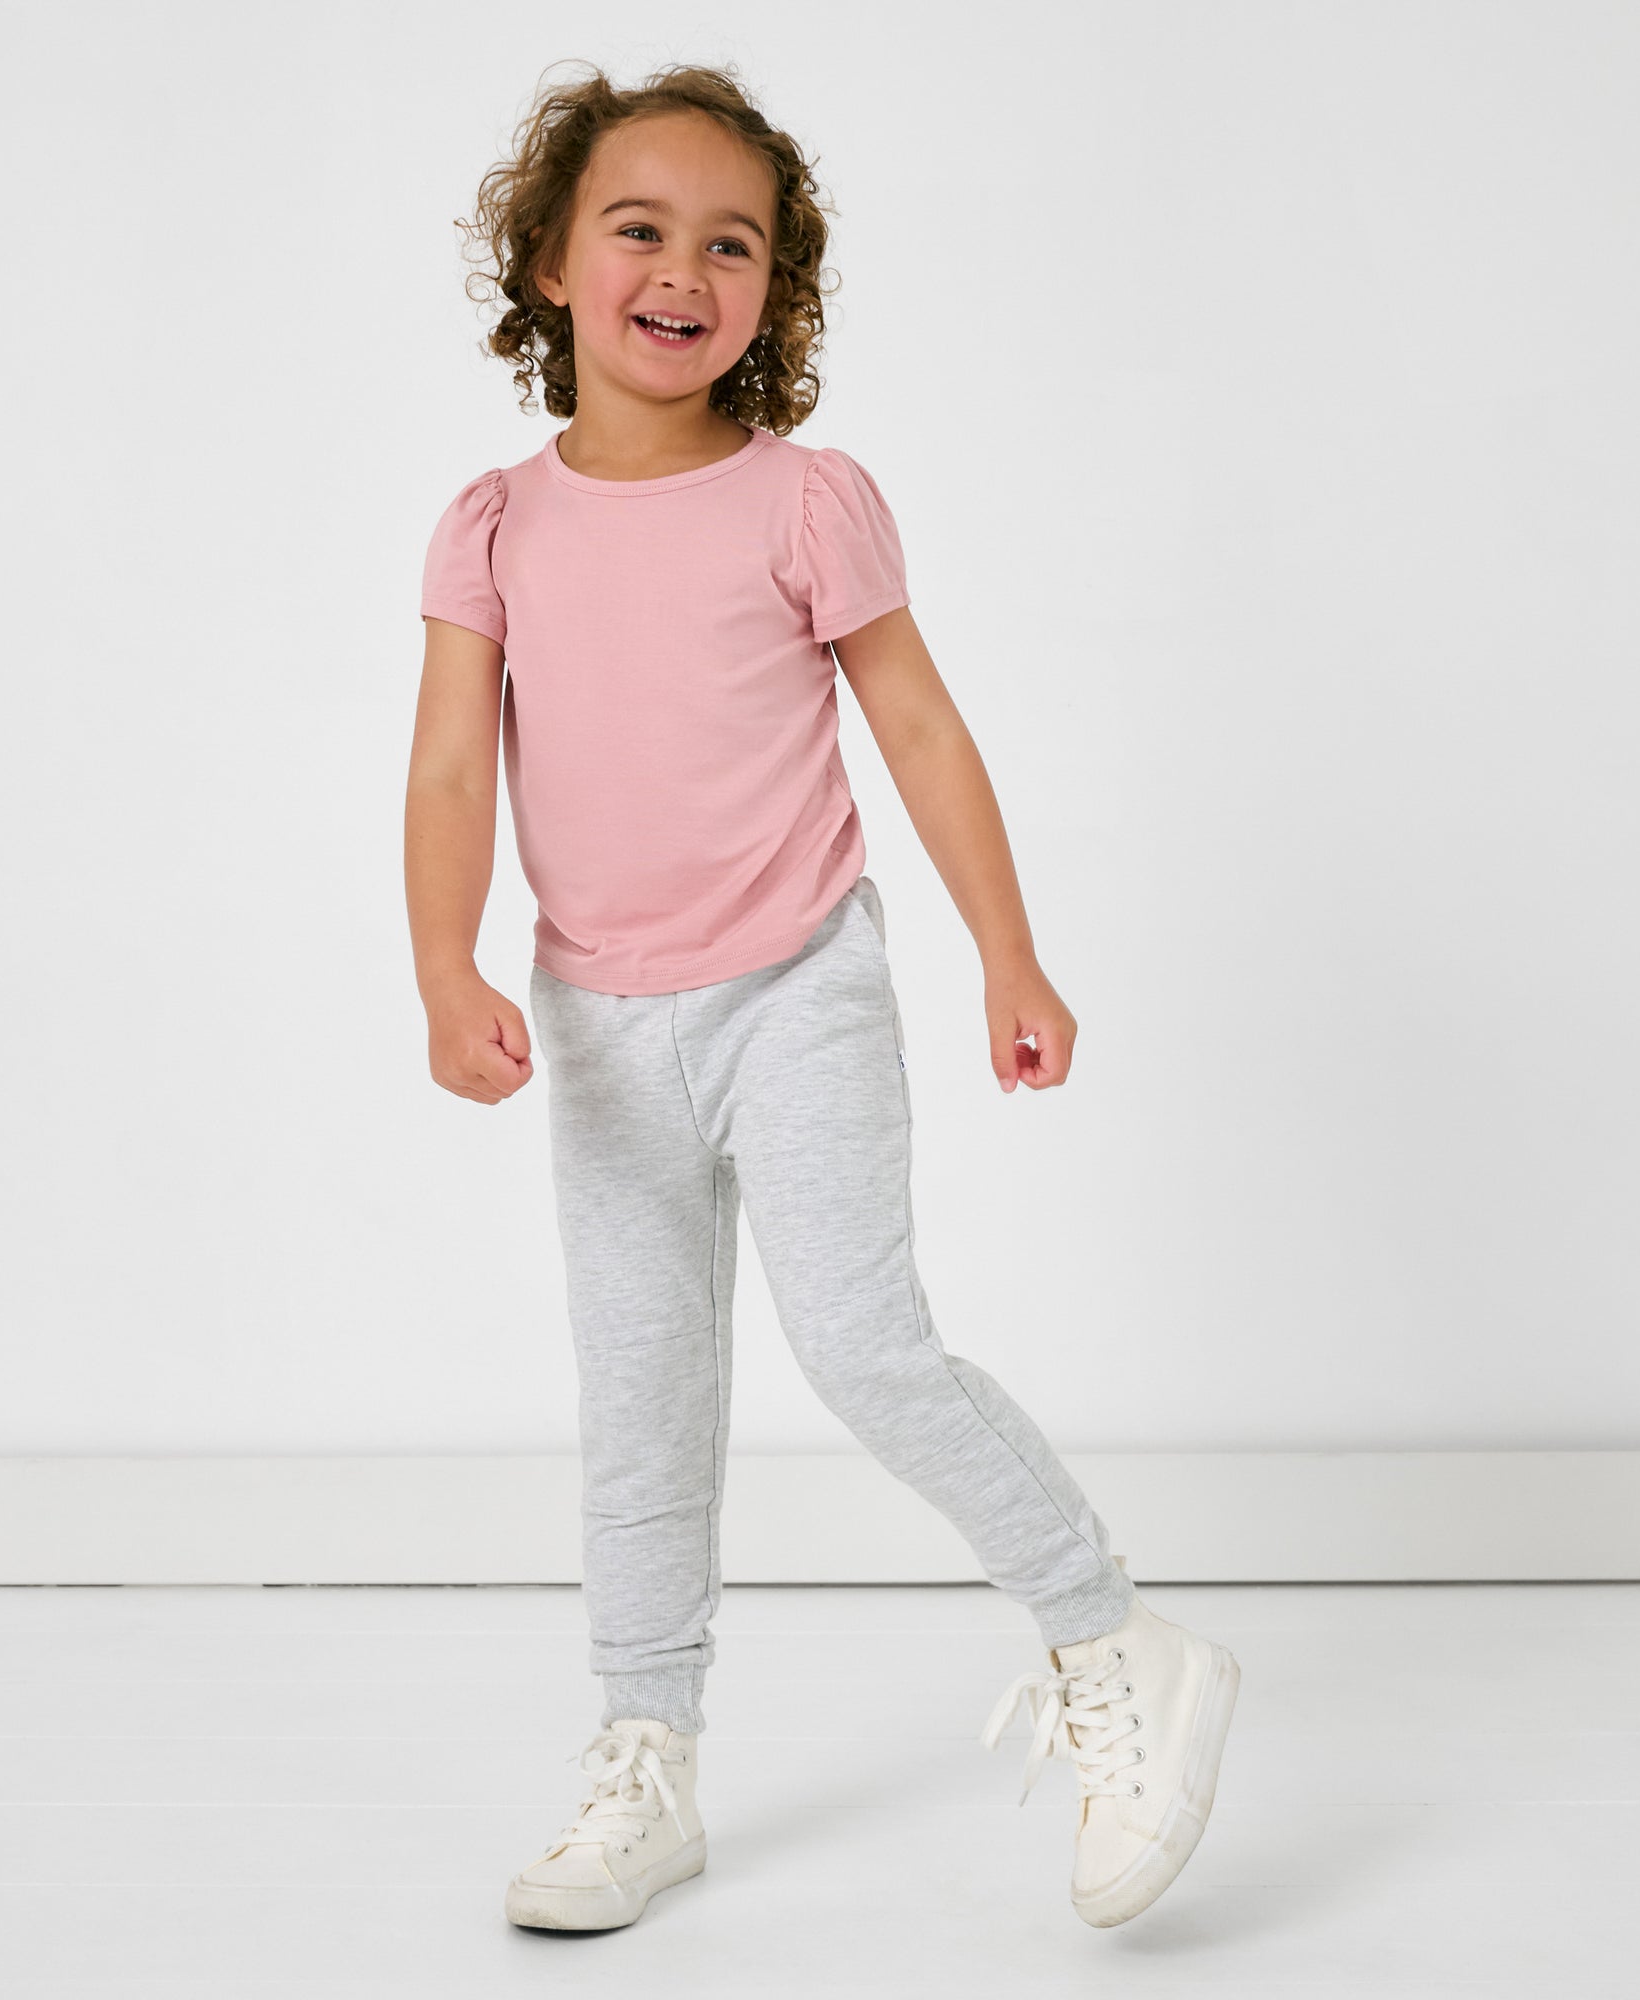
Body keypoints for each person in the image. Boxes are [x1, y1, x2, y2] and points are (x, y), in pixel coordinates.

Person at [404, 59, 1239, 1935]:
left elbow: (920, 727)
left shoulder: (805, 502)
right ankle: (647, 1759)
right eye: (639, 227)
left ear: (773, 296)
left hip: (798, 984)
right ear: (549, 262)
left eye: (734, 243)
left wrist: (1006, 953)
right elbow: (453, 770)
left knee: (862, 1343)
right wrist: (442, 965)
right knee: (642, 1397)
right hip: (601, 1020)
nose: (683, 269)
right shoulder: (492, 527)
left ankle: (1113, 1636)